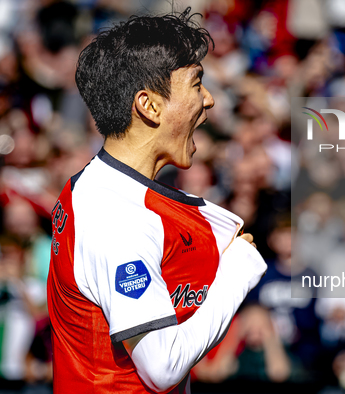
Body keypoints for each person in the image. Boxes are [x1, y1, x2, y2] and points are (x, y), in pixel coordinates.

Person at [46, 9, 267, 394]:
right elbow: (162, 366)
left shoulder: (100, 188)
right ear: (149, 106)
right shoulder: (115, 218)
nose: (210, 100)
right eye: (197, 84)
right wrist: (235, 274)